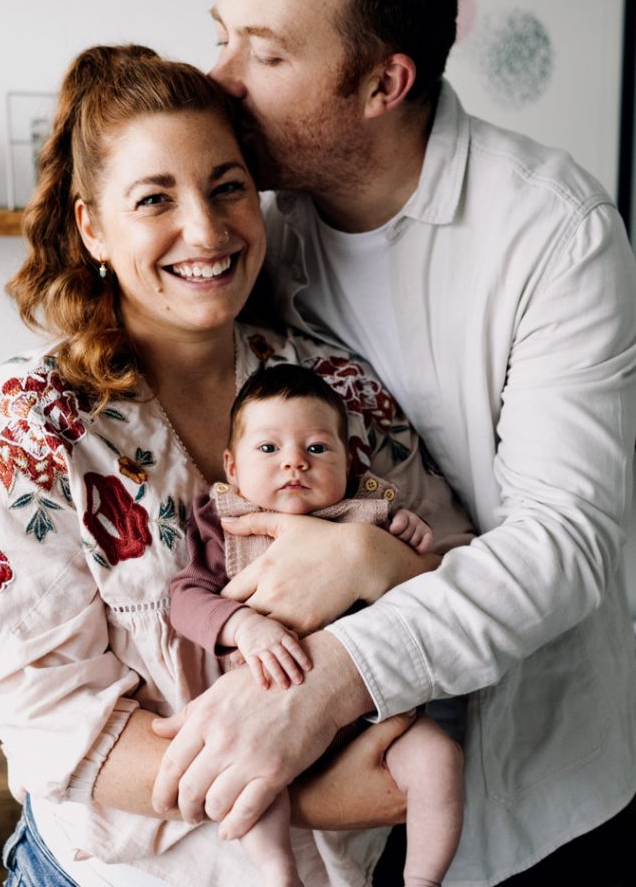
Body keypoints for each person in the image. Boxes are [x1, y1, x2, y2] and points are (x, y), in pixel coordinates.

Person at [149, 0, 636, 886]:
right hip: (338, 801)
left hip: (541, 782)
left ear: (382, 85)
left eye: (265, 52)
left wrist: (335, 659)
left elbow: (566, 540)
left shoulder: (556, 232)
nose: (220, 77)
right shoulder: (252, 240)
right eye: (222, 33)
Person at [0, 43, 472, 887]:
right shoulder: (28, 426)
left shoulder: (330, 384)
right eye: (155, 198)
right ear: (93, 227)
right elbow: (54, 725)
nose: (205, 229)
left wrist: (374, 557)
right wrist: (306, 793)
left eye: (227, 186)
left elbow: (462, 575)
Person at [170, 363, 470, 887]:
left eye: (316, 448)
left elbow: (425, 592)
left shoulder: (370, 515)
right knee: (251, 785)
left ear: (350, 462)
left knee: (440, 759)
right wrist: (242, 625)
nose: (294, 463)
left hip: (371, 716)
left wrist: (402, 543)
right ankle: (278, 872)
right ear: (232, 468)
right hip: (266, 717)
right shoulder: (228, 527)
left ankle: (422, 878)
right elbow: (184, 599)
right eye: (268, 449)